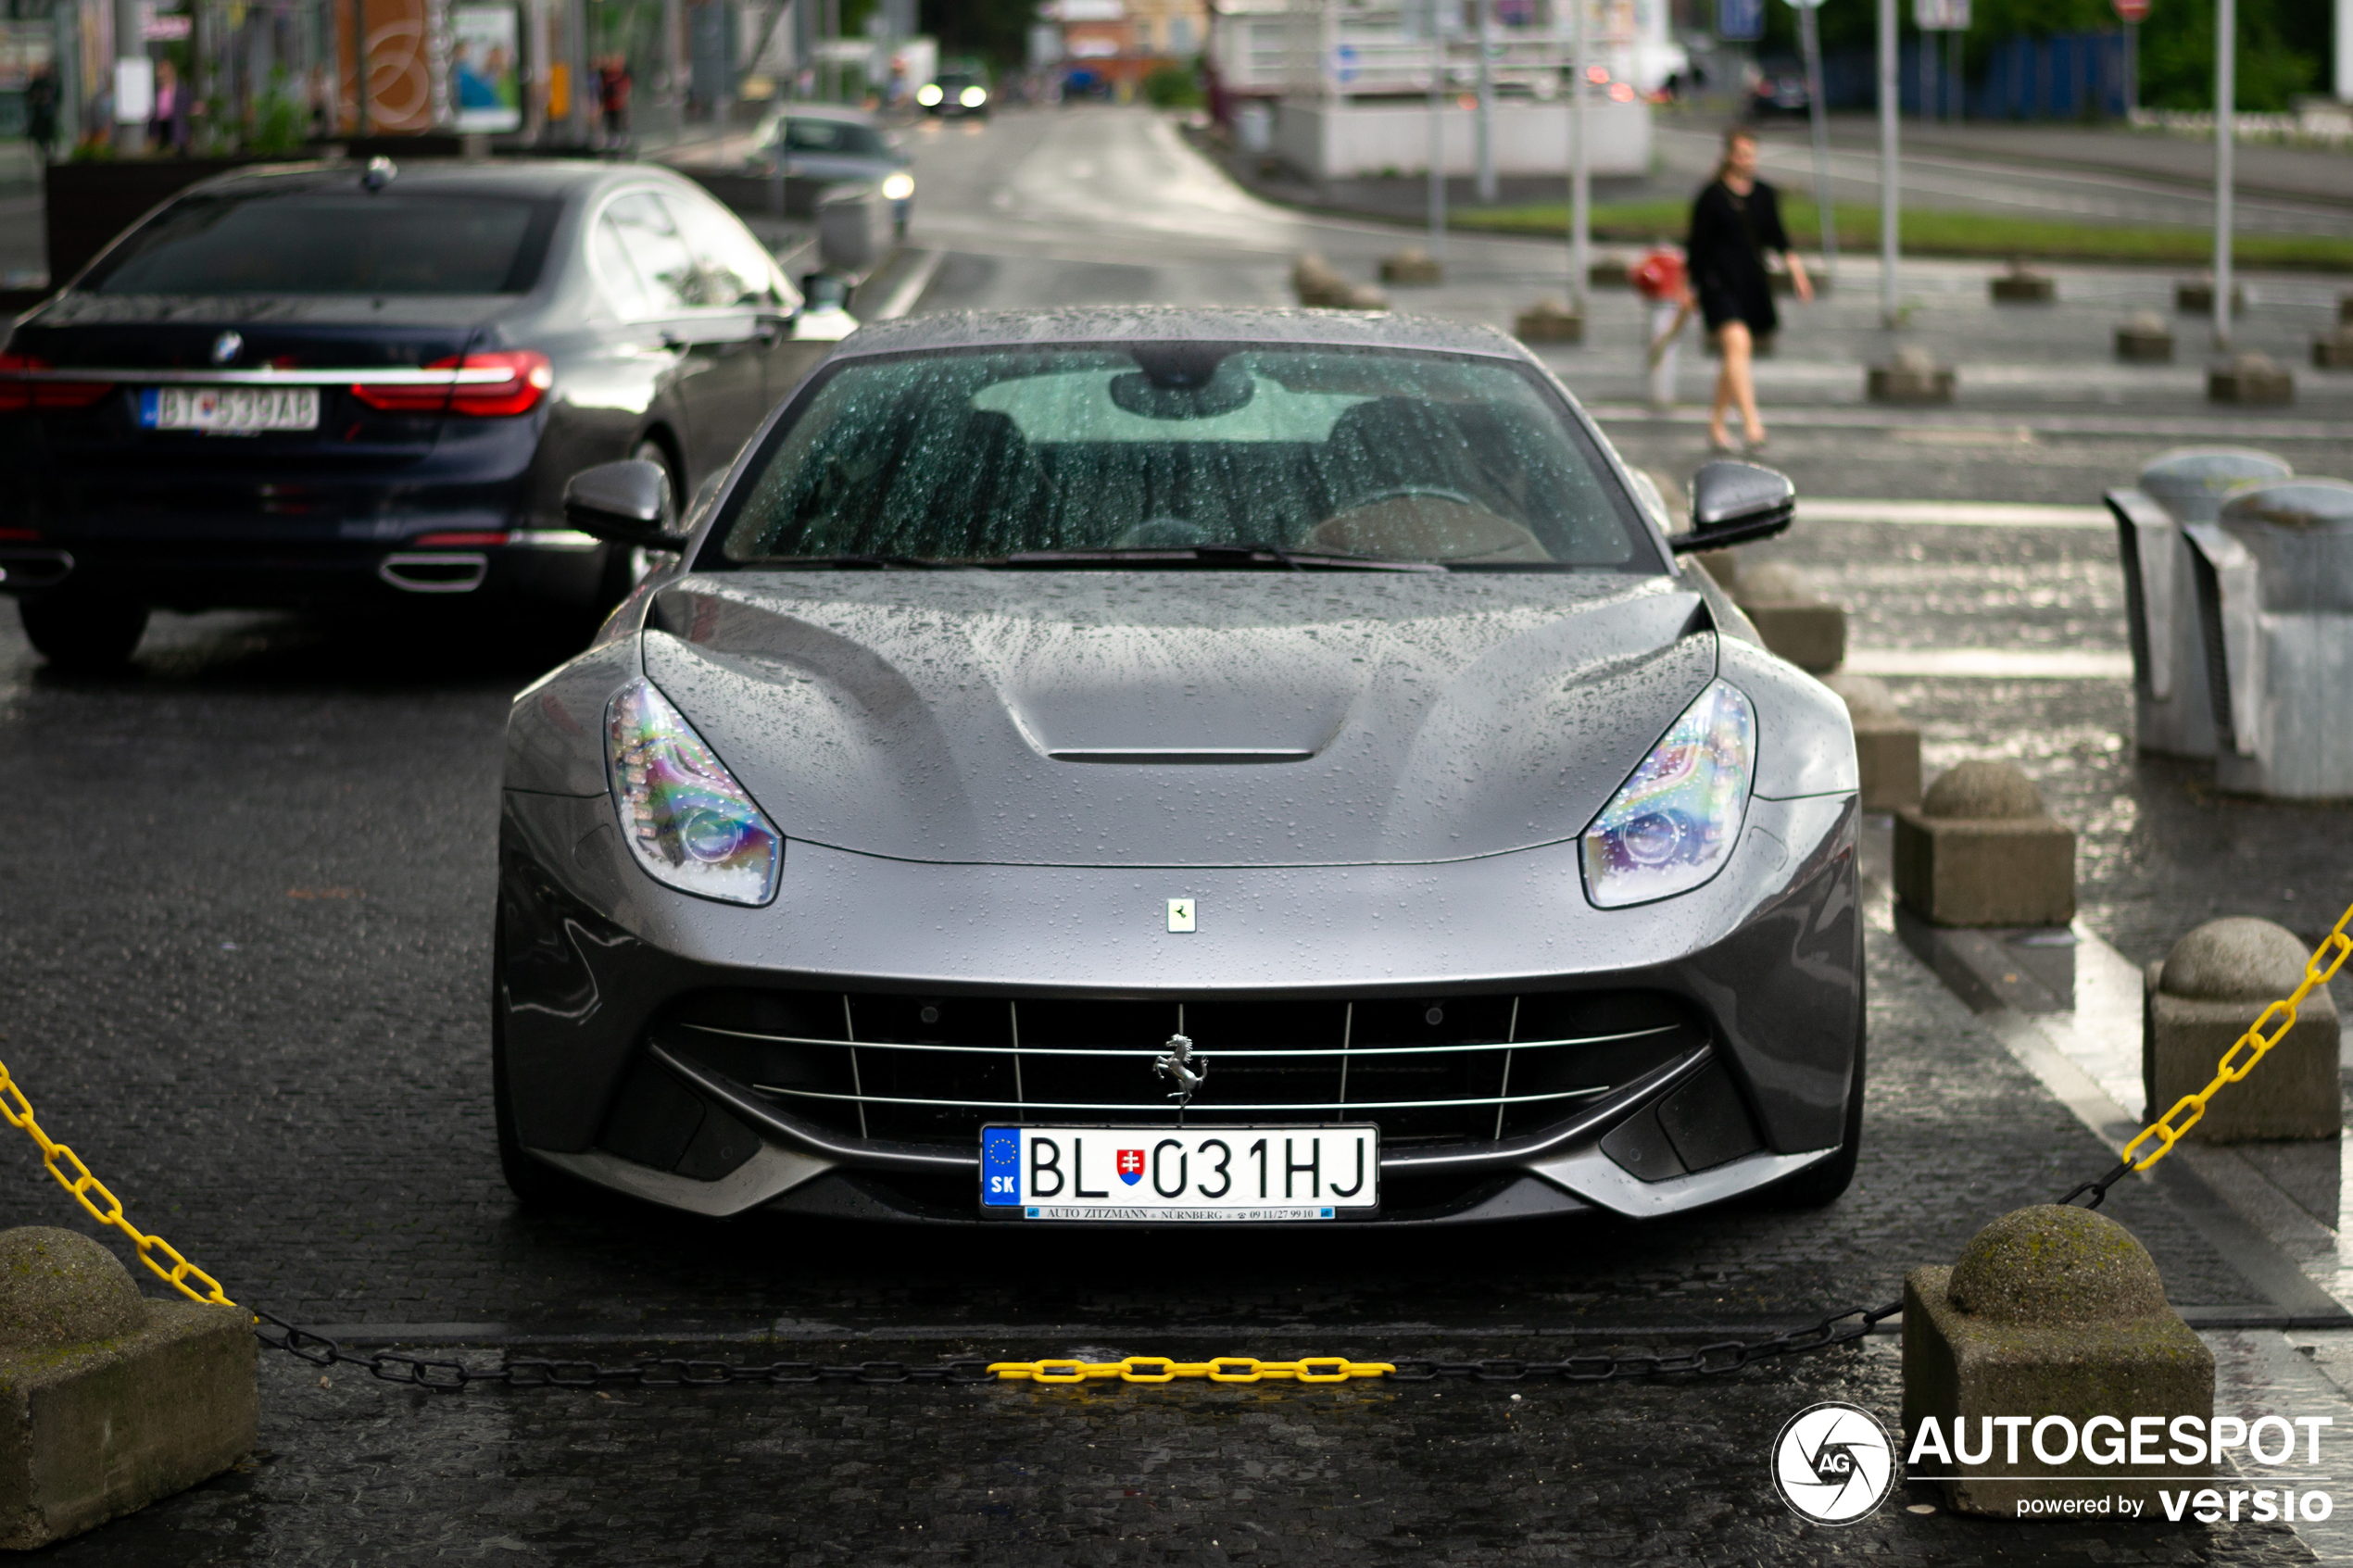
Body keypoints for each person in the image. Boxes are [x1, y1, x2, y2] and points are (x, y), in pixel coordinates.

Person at [1686, 124, 1810, 453]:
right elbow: (1696, 247)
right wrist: (1689, 288)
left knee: (1734, 355)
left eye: (1750, 154)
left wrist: (1797, 272)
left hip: (1751, 284)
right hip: (1717, 285)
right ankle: (1753, 425)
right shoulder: (1711, 197)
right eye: (1740, 154)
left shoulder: (1764, 195)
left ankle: (1715, 425)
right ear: (1728, 155)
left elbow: (1778, 237)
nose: (1746, 160)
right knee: (1738, 343)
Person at [148, 58, 192, 154]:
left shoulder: (182, 90)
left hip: (176, 130)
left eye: (165, 71)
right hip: (160, 129)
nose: (161, 74)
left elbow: (186, 111)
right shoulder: (155, 91)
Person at [24, 65, 57, 164]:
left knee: (47, 134)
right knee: (41, 135)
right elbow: (29, 98)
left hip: (45, 114)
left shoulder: (47, 83)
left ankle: (47, 150)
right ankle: (45, 150)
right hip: (39, 114)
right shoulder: (38, 84)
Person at [598, 55, 631, 144]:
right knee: (612, 122)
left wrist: (622, 96)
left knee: (621, 120)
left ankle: (623, 138)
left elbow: (625, 88)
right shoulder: (607, 75)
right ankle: (613, 138)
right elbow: (604, 89)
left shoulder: (623, 75)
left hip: (619, 104)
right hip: (610, 104)